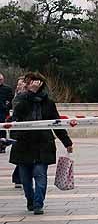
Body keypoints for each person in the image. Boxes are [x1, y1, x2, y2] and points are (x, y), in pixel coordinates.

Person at [8, 72, 73, 215]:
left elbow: (56, 123)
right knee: (25, 178)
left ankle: (38, 204)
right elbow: (16, 116)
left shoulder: (48, 102)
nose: (29, 84)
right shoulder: (20, 99)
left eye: (31, 81)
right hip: (23, 144)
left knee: (40, 174)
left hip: (42, 143)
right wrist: (30, 93)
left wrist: (66, 141)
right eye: (28, 82)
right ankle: (30, 201)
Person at [0, 73, 13, 154]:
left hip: (2, 112)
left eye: (1, 80)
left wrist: (6, 106)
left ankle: (2, 146)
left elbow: (11, 101)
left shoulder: (7, 89)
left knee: (2, 130)